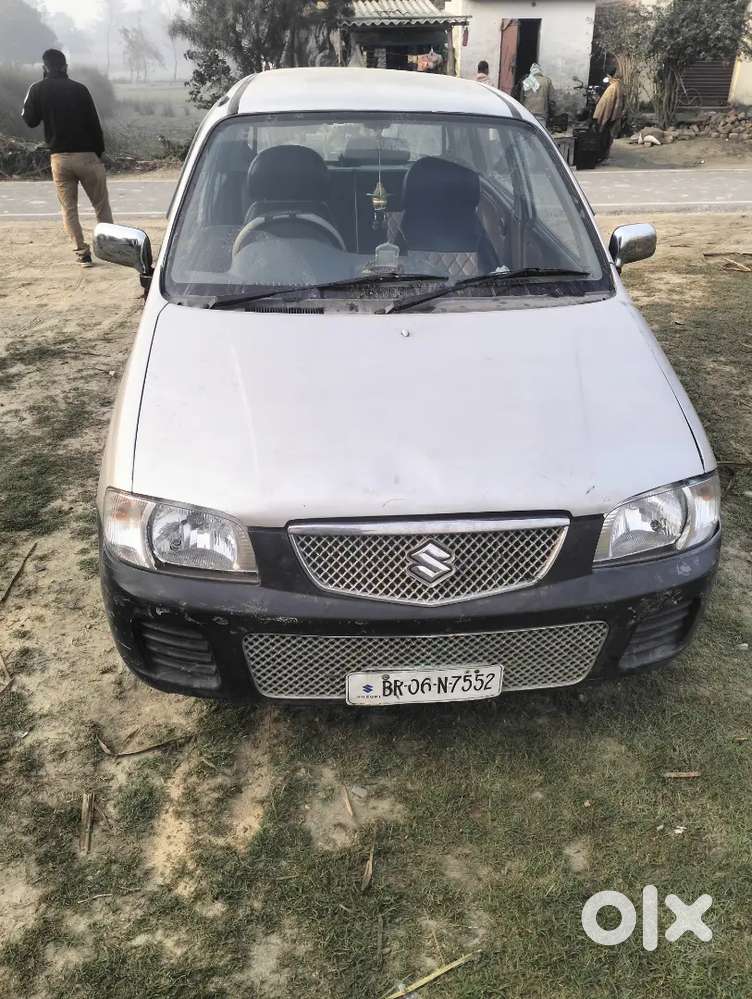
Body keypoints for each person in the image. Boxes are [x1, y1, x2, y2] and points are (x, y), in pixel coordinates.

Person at [22, 49, 113, 267]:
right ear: (65, 67)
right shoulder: (80, 89)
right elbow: (94, 124)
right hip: (87, 156)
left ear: (44, 68)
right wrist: (99, 153)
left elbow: (29, 119)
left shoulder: (37, 89)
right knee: (101, 206)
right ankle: (110, 248)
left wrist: (39, 91)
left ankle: (82, 254)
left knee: (69, 208)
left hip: (60, 158)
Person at [593, 68, 625, 161]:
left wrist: (607, 117)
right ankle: (603, 154)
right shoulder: (615, 86)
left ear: (610, 76)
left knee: (604, 135)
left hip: (609, 117)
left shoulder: (614, 87)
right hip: (610, 116)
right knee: (605, 135)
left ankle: (602, 155)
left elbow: (611, 104)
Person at [520, 63, 555, 128]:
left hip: (527, 113)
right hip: (541, 114)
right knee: (540, 134)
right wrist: (552, 114)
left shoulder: (526, 81)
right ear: (540, 70)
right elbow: (552, 100)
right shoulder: (547, 81)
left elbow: (522, 99)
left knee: (528, 133)